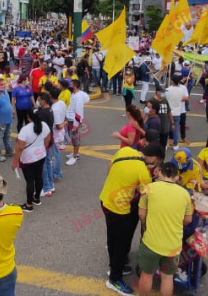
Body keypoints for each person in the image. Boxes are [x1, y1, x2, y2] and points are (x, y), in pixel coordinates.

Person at [99, 145, 155, 295]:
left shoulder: (125, 151)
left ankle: (115, 267)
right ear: (153, 159)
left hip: (105, 199)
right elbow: (147, 195)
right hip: (119, 209)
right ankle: (114, 280)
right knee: (122, 243)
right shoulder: (143, 171)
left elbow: (110, 166)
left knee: (112, 237)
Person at [137, 162, 194, 296]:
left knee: (147, 275)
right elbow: (188, 220)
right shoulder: (185, 194)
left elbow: (141, 214)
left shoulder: (149, 188)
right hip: (173, 245)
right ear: (176, 177)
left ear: (160, 172)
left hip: (151, 243)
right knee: (167, 278)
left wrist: (145, 226)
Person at [13, 111, 51, 212]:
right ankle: (36, 198)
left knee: (30, 181)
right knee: (39, 177)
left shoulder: (25, 130)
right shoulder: (44, 125)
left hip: (28, 159)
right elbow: (47, 140)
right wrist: (40, 148)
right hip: (41, 155)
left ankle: (29, 205)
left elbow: (20, 148)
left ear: (28, 117)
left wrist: (14, 162)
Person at [37, 93, 59, 197]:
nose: (38, 101)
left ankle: (46, 188)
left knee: (43, 165)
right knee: (48, 163)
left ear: (44, 101)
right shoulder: (50, 110)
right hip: (50, 140)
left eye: (39, 100)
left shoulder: (42, 113)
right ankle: (51, 185)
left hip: (44, 141)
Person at [65, 79, 90, 166]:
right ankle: (76, 153)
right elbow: (87, 98)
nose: (69, 86)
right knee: (73, 138)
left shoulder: (78, 97)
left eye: (71, 84)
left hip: (74, 121)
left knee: (75, 139)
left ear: (75, 86)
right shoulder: (75, 94)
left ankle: (75, 156)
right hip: (71, 120)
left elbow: (78, 112)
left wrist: (76, 124)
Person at [0, 78, 15, 162]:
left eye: (3, 86)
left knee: (7, 136)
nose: (3, 88)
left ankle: (8, 150)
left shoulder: (5, 92)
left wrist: (12, 111)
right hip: (1, 121)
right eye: (1, 86)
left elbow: (8, 103)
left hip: (8, 120)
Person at [166, 75, 190, 148]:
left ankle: (166, 143)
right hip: (177, 112)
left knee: (167, 127)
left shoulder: (168, 89)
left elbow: (163, 97)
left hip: (172, 111)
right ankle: (174, 143)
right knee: (175, 128)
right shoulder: (180, 89)